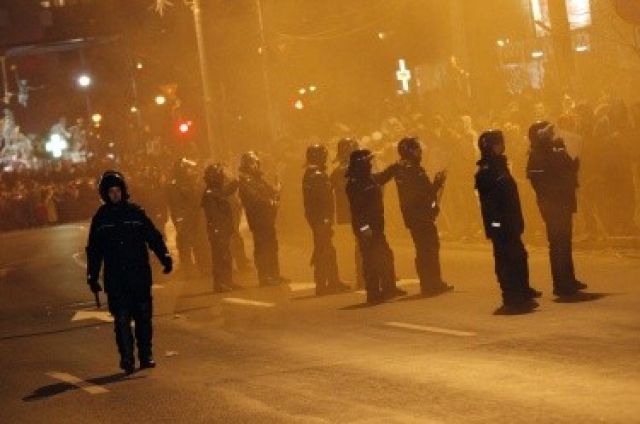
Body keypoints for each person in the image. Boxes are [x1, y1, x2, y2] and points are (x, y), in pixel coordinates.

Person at [86, 171, 173, 374]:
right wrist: (92, 276)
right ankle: (126, 357)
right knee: (122, 318)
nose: (115, 195)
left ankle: (146, 355)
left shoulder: (135, 212)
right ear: (105, 194)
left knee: (143, 316)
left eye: (117, 191)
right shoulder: (101, 218)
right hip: (116, 277)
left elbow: (153, 236)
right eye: (111, 192)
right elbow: (94, 250)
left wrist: (164, 256)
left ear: (123, 191)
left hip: (139, 274)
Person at [475, 131, 541, 311]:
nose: (501, 146)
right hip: (501, 226)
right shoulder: (486, 171)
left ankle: (522, 291)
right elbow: (489, 205)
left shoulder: (500, 166)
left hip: (510, 223)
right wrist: (497, 226)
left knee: (519, 256)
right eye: (498, 143)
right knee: (506, 260)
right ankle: (512, 298)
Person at [379, 137, 454, 296]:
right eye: (417, 149)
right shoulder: (415, 171)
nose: (420, 152)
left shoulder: (397, 168)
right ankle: (432, 283)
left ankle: (428, 283)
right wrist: (438, 182)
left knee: (422, 249)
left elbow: (379, 178)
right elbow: (427, 193)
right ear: (410, 151)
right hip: (422, 215)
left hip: (412, 216)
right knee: (429, 248)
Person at [527, 122, 587, 297]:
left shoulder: (554, 149)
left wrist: (572, 156)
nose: (552, 134)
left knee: (565, 242)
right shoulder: (537, 153)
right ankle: (561, 284)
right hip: (553, 204)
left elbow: (569, 167)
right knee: (558, 243)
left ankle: (569, 279)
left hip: (563, 201)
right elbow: (539, 179)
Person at [346, 149, 406, 304]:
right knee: (371, 260)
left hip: (376, 227)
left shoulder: (368, 179)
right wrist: (364, 228)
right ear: (361, 164)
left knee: (384, 256)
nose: (370, 163)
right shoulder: (355, 184)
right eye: (368, 161)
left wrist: (396, 166)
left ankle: (389, 288)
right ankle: (373, 293)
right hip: (367, 229)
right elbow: (357, 210)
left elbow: (383, 177)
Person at [303, 144, 350, 295]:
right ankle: (323, 285)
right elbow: (322, 201)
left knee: (326, 250)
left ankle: (331, 282)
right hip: (321, 219)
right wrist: (325, 220)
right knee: (323, 251)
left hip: (318, 219)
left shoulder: (310, 174)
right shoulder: (317, 175)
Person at [238, 151, 289, 286]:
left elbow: (270, 191)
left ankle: (274, 274)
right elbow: (255, 199)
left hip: (267, 218)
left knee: (272, 246)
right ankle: (265, 276)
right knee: (262, 248)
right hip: (258, 219)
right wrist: (270, 202)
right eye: (254, 163)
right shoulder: (245, 181)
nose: (257, 165)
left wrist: (277, 189)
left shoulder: (258, 179)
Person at [330, 138, 364, 288]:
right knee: (365, 242)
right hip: (361, 212)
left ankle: (363, 277)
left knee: (361, 242)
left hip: (349, 213)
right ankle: (363, 277)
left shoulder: (337, 171)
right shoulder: (356, 170)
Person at [166, 158, 208, 276]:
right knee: (185, 243)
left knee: (201, 241)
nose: (191, 170)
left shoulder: (195, 181)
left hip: (197, 215)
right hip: (185, 218)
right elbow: (175, 204)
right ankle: (187, 269)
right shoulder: (175, 185)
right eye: (188, 168)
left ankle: (204, 267)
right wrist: (180, 220)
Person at [201, 164, 238, 293]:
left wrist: (235, 180)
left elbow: (228, 190)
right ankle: (221, 284)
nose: (222, 177)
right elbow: (213, 216)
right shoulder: (210, 193)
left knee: (226, 256)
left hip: (223, 230)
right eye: (220, 175)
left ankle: (227, 282)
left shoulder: (215, 191)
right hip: (218, 231)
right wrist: (218, 230)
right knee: (220, 257)